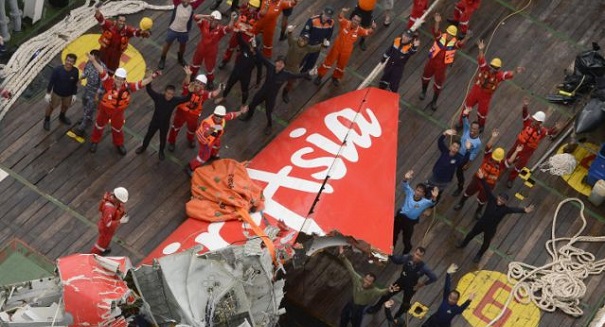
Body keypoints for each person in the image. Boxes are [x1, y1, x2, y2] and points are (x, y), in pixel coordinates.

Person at [457, 169, 535, 263]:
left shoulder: (505, 209)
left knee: (486, 243)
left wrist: (524, 210)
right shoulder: (492, 199)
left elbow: (514, 209)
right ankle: (463, 244)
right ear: (498, 197)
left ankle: (479, 255)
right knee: (471, 234)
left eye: (503, 200)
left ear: (505, 202)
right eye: (500, 198)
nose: (500, 200)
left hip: (491, 229)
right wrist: (482, 179)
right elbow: (487, 188)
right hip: (481, 223)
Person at [88, 55, 158, 155]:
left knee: (117, 128)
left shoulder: (129, 87)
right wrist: (94, 61)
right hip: (104, 110)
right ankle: (94, 141)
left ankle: (119, 143)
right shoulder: (108, 82)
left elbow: (141, 83)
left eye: (121, 79)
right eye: (117, 78)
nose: (119, 81)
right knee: (99, 125)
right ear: (114, 77)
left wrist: (152, 77)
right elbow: (102, 71)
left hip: (118, 113)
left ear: (124, 79)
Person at [453, 129, 523, 219]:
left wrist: (516, 151)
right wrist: (493, 137)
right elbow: (488, 146)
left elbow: (509, 161)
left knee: (483, 199)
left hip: (488, 185)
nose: (494, 160)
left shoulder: (501, 165)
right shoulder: (488, 156)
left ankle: (478, 210)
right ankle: (461, 203)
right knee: (468, 191)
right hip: (477, 180)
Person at [458, 40, 524, 130]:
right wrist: (481, 49)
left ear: (499, 68)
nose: (493, 69)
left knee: (482, 112)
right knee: (466, 107)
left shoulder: (499, 75)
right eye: (492, 66)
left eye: (496, 68)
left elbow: (507, 74)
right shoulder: (484, 68)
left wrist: (515, 71)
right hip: (476, 90)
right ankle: (461, 123)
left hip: (486, 96)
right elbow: (481, 59)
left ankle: (481, 126)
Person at [240, 52, 309, 135]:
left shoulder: (286, 74)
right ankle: (249, 116)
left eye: (282, 63)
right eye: (279, 62)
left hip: (271, 97)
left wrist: (308, 73)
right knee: (252, 104)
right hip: (262, 92)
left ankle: (269, 125)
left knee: (268, 112)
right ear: (275, 62)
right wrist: (254, 47)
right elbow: (261, 57)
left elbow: (297, 75)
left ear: (284, 65)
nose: (280, 64)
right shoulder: (270, 66)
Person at [136, 68, 193, 160]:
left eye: (171, 94)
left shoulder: (175, 100)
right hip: (155, 122)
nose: (169, 95)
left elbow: (186, 99)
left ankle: (161, 151)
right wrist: (149, 79)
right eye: (168, 93)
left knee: (163, 139)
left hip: (165, 124)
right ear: (165, 92)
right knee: (148, 135)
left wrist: (190, 92)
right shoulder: (158, 97)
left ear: (173, 94)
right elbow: (149, 90)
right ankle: (143, 148)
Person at [504, 97, 561, 188]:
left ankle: (511, 178)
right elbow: (524, 114)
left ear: (540, 122)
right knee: (510, 154)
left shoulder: (542, 131)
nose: (534, 121)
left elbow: (549, 132)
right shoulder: (528, 122)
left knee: (520, 165)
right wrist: (525, 106)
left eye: (536, 120)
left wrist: (556, 129)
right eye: (534, 119)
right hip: (519, 144)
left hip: (528, 151)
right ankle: (505, 165)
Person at [366, 247, 437, 319]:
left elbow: (434, 278)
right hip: (401, 282)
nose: (417, 257)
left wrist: (422, 284)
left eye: (420, 256)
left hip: (411, 287)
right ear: (414, 253)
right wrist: (391, 254)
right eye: (417, 254)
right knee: (387, 294)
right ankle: (377, 307)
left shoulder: (424, 267)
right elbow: (397, 261)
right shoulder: (407, 257)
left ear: (423, 257)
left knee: (405, 305)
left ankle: (396, 318)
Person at [338, 246, 399, 327]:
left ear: (372, 283)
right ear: (364, 278)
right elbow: (350, 268)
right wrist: (342, 256)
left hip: (360, 309)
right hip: (351, 303)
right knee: (343, 318)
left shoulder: (373, 290)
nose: (366, 282)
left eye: (369, 281)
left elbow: (382, 292)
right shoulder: (357, 279)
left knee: (356, 323)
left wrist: (389, 290)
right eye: (366, 279)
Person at [314, 8, 375, 87]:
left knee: (341, 65)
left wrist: (372, 28)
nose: (355, 22)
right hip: (337, 47)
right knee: (328, 62)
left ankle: (335, 77)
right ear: (352, 18)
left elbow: (367, 32)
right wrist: (343, 11)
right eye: (354, 19)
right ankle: (320, 76)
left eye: (357, 21)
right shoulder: (345, 23)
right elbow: (340, 18)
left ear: (359, 23)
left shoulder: (359, 30)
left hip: (346, 51)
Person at [420, 13, 464, 111]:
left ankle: (434, 101)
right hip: (432, 62)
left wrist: (467, 38)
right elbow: (436, 32)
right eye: (448, 33)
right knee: (425, 76)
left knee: (438, 84)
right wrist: (437, 22)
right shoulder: (440, 36)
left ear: (454, 36)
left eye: (451, 35)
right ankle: (423, 91)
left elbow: (460, 44)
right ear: (446, 32)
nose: (449, 36)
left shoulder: (455, 43)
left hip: (442, 67)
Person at [167, 73, 221, 152]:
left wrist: (219, 88)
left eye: (201, 84)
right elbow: (185, 83)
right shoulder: (189, 88)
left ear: (204, 86)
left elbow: (213, 94)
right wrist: (188, 75)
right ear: (194, 81)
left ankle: (190, 139)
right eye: (197, 82)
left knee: (192, 129)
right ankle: (171, 142)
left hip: (193, 115)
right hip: (182, 112)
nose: (198, 85)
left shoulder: (204, 94)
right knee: (175, 127)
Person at [187, 105, 248, 174]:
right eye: (217, 116)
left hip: (215, 138)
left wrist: (241, 112)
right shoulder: (207, 123)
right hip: (206, 142)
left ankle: (213, 154)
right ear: (214, 114)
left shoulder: (223, 118)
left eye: (220, 116)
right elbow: (205, 134)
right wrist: (213, 128)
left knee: (217, 145)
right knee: (203, 157)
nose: (218, 118)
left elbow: (232, 115)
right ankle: (191, 167)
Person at [392, 170, 438, 254]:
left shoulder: (424, 202)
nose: (418, 193)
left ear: (424, 194)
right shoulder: (409, 192)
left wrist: (434, 197)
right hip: (400, 217)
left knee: (406, 239)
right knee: (393, 235)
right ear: (415, 190)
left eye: (421, 192)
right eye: (417, 190)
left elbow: (432, 202)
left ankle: (405, 253)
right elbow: (405, 184)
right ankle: (390, 249)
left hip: (410, 223)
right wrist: (405, 178)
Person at [95, 9, 150, 74]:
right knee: (98, 70)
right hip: (104, 54)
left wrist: (142, 32)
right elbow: (101, 20)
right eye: (120, 21)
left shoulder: (127, 31)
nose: (122, 23)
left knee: (111, 73)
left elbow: (135, 32)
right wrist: (97, 11)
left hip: (115, 58)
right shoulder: (109, 25)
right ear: (116, 20)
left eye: (123, 21)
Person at [190, 11, 235, 88]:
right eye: (213, 19)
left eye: (217, 20)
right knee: (195, 63)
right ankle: (192, 76)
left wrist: (232, 19)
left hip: (211, 52)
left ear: (219, 21)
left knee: (210, 67)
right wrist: (206, 16)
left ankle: (210, 81)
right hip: (201, 48)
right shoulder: (204, 23)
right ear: (210, 19)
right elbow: (195, 17)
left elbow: (229, 28)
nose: (215, 22)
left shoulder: (220, 29)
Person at [215, 32, 261, 106]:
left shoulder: (258, 57)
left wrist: (258, 82)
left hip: (245, 77)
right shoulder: (245, 47)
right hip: (236, 72)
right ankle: (223, 97)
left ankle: (243, 105)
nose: (250, 44)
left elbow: (259, 70)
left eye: (252, 43)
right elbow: (239, 38)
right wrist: (241, 30)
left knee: (245, 91)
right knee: (229, 85)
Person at [158, 0, 204, 70]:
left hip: (184, 31)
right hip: (173, 28)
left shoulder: (193, 5)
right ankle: (162, 58)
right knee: (168, 43)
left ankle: (180, 58)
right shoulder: (177, 2)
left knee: (183, 45)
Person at [282, 26, 322, 103]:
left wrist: (323, 45)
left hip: (294, 68)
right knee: (277, 79)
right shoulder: (293, 42)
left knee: (291, 82)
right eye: (302, 38)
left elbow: (316, 48)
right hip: (285, 64)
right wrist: (290, 31)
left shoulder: (308, 48)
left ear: (307, 42)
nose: (303, 40)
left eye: (305, 40)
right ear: (299, 37)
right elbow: (290, 37)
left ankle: (285, 93)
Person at [428, 129, 471, 199]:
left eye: (457, 148)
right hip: (435, 175)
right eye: (453, 146)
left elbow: (464, 160)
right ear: (450, 146)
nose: (454, 148)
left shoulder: (458, 157)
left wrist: (468, 149)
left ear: (458, 150)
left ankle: (433, 203)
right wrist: (444, 134)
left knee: (438, 193)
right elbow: (440, 142)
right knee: (429, 188)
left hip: (445, 180)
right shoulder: (445, 151)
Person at [71, 50, 105, 137]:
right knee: (85, 104)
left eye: (92, 56)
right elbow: (86, 71)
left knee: (90, 108)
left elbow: (102, 84)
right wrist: (81, 78)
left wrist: (97, 95)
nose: (90, 58)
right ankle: (87, 118)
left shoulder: (102, 68)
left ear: (97, 57)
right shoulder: (89, 62)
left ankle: (81, 128)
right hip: (87, 88)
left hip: (95, 92)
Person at [218, 0, 261, 69]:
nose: (252, 8)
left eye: (254, 7)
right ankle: (225, 60)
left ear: (257, 8)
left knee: (241, 51)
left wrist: (247, 27)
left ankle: (237, 65)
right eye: (251, 6)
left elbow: (255, 27)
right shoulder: (244, 9)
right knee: (230, 47)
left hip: (247, 35)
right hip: (238, 32)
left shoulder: (257, 16)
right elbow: (239, 18)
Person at [43, 53, 79, 131]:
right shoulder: (57, 70)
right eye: (68, 60)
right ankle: (47, 120)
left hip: (68, 94)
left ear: (74, 63)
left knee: (65, 106)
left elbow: (75, 83)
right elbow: (51, 82)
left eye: (71, 61)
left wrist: (74, 94)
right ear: (65, 60)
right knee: (51, 106)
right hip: (56, 93)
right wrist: (48, 93)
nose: (69, 63)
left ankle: (62, 117)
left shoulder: (75, 71)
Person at [452, 107, 483, 196]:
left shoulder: (478, 143)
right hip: (456, 153)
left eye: (475, 129)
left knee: (459, 173)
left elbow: (473, 154)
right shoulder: (466, 129)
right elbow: (464, 119)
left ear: (478, 130)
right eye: (472, 128)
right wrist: (465, 113)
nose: (472, 130)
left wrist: (468, 164)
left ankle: (460, 187)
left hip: (464, 158)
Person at [90, 187, 130, 255]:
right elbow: (108, 224)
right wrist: (120, 221)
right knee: (101, 243)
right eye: (121, 201)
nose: (121, 203)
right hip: (105, 229)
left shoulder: (114, 201)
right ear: (117, 198)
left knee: (106, 241)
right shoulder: (109, 208)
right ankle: (93, 255)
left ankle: (104, 248)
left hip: (108, 228)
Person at [299, 6, 335, 74]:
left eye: (328, 16)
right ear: (323, 12)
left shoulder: (332, 23)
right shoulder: (313, 19)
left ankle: (305, 73)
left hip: (318, 46)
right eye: (325, 15)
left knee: (312, 61)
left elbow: (329, 34)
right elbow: (305, 31)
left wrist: (326, 42)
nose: (326, 17)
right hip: (308, 44)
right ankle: (295, 72)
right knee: (301, 59)